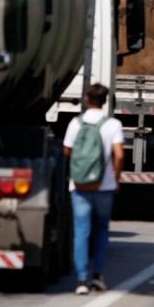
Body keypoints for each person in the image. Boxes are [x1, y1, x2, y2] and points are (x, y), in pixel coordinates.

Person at [63, 83, 125, 295]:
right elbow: (119, 155)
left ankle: (81, 280)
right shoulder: (113, 125)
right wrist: (115, 178)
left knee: (81, 232)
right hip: (104, 186)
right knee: (101, 231)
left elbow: (67, 150)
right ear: (105, 101)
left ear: (87, 99)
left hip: (79, 186)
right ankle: (97, 276)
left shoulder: (75, 123)